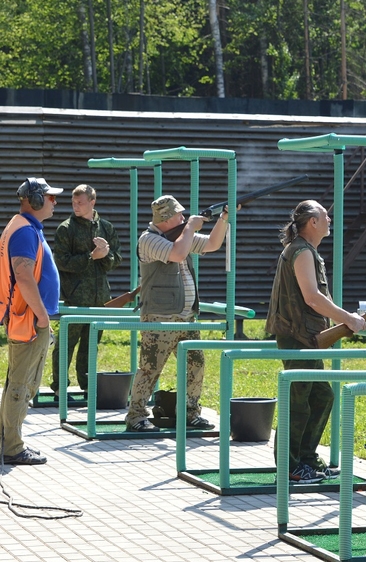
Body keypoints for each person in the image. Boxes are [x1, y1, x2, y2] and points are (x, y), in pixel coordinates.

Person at [265, 200, 366, 483]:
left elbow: (317, 299)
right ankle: (290, 467)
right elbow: (312, 297)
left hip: (307, 337)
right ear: (312, 222)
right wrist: (349, 319)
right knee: (298, 401)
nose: (329, 220)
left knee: (322, 396)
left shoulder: (306, 250)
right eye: (325, 216)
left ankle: (306, 459)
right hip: (298, 337)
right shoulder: (301, 251)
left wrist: (343, 321)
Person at [123, 195, 231, 432]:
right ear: (166, 218)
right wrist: (191, 227)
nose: (183, 218)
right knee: (150, 367)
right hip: (160, 317)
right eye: (179, 215)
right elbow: (178, 254)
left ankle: (190, 413)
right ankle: (136, 415)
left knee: (196, 364)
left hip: (186, 317)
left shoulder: (181, 236)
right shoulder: (149, 240)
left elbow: (212, 244)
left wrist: (224, 218)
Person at [0, 177, 65, 465]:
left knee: (20, 381)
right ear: (36, 200)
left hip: (25, 316)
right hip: (28, 318)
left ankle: (9, 440)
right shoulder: (25, 232)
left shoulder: (25, 227)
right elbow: (24, 276)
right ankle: (12, 447)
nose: (55, 202)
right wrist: (41, 317)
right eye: (50, 198)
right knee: (21, 385)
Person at [51, 184, 122, 399]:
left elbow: (117, 259)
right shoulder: (66, 229)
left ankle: (87, 385)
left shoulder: (106, 228)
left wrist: (106, 254)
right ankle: (60, 387)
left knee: (91, 345)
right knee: (66, 344)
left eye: (80, 203)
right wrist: (91, 256)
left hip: (99, 298)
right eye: (74, 202)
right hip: (75, 297)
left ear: (93, 202)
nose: (76, 206)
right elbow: (61, 261)